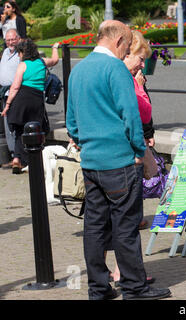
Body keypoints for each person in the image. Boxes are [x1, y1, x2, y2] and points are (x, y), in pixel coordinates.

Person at [66, 20, 171, 300]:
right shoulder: (114, 69)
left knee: (95, 227)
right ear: (118, 41)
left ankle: (98, 288)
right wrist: (141, 154)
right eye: (126, 46)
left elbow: (71, 122)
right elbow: (131, 117)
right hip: (119, 161)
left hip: (91, 162)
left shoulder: (78, 70)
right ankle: (134, 287)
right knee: (126, 227)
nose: (126, 52)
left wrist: (85, 141)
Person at [108, 30, 155, 286]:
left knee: (114, 219)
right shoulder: (125, 81)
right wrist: (142, 155)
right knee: (128, 218)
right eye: (138, 57)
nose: (141, 63)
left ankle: (114, 271)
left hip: (110, 157)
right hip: (126, 157)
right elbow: (141, 116)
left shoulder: (114, 76)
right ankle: (126, 273)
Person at [1, 38, 59, 174]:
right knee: (34, 128)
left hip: (21, 99)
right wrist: (55, 47)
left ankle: (18, 159)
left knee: (20, 130)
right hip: (36, 100)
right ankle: (26, 160)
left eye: (19, 53)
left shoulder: (23, 65)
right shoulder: (42, 62)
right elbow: (55, 60)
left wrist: (7, 105)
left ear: (23, 52)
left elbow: (15, 87)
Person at [0, 28, 20, 167]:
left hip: (16, 93)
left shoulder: (21, 53)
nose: (11, 42)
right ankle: (13, 155)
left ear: (18, 39)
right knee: (7, 125)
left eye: (13, 39)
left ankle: (19, 156)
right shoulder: (5, 52)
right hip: (4, 93)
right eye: (8, 40)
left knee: (15, 124)